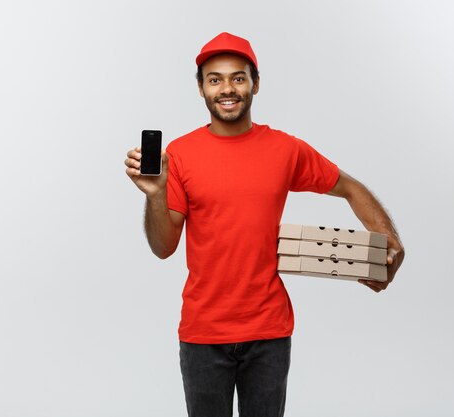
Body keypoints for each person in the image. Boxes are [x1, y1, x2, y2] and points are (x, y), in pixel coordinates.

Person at [124, 32, 405, 417]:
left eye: (238, 77)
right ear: (201, 88)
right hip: (203, 334)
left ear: (255, 83)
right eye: (215, 78)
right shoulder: (180, 155)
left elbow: (350, 187)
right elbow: (163, 247)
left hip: (269, 331)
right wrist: (155, 195)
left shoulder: (285, 150)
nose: (227, 88)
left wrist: (390, 240)